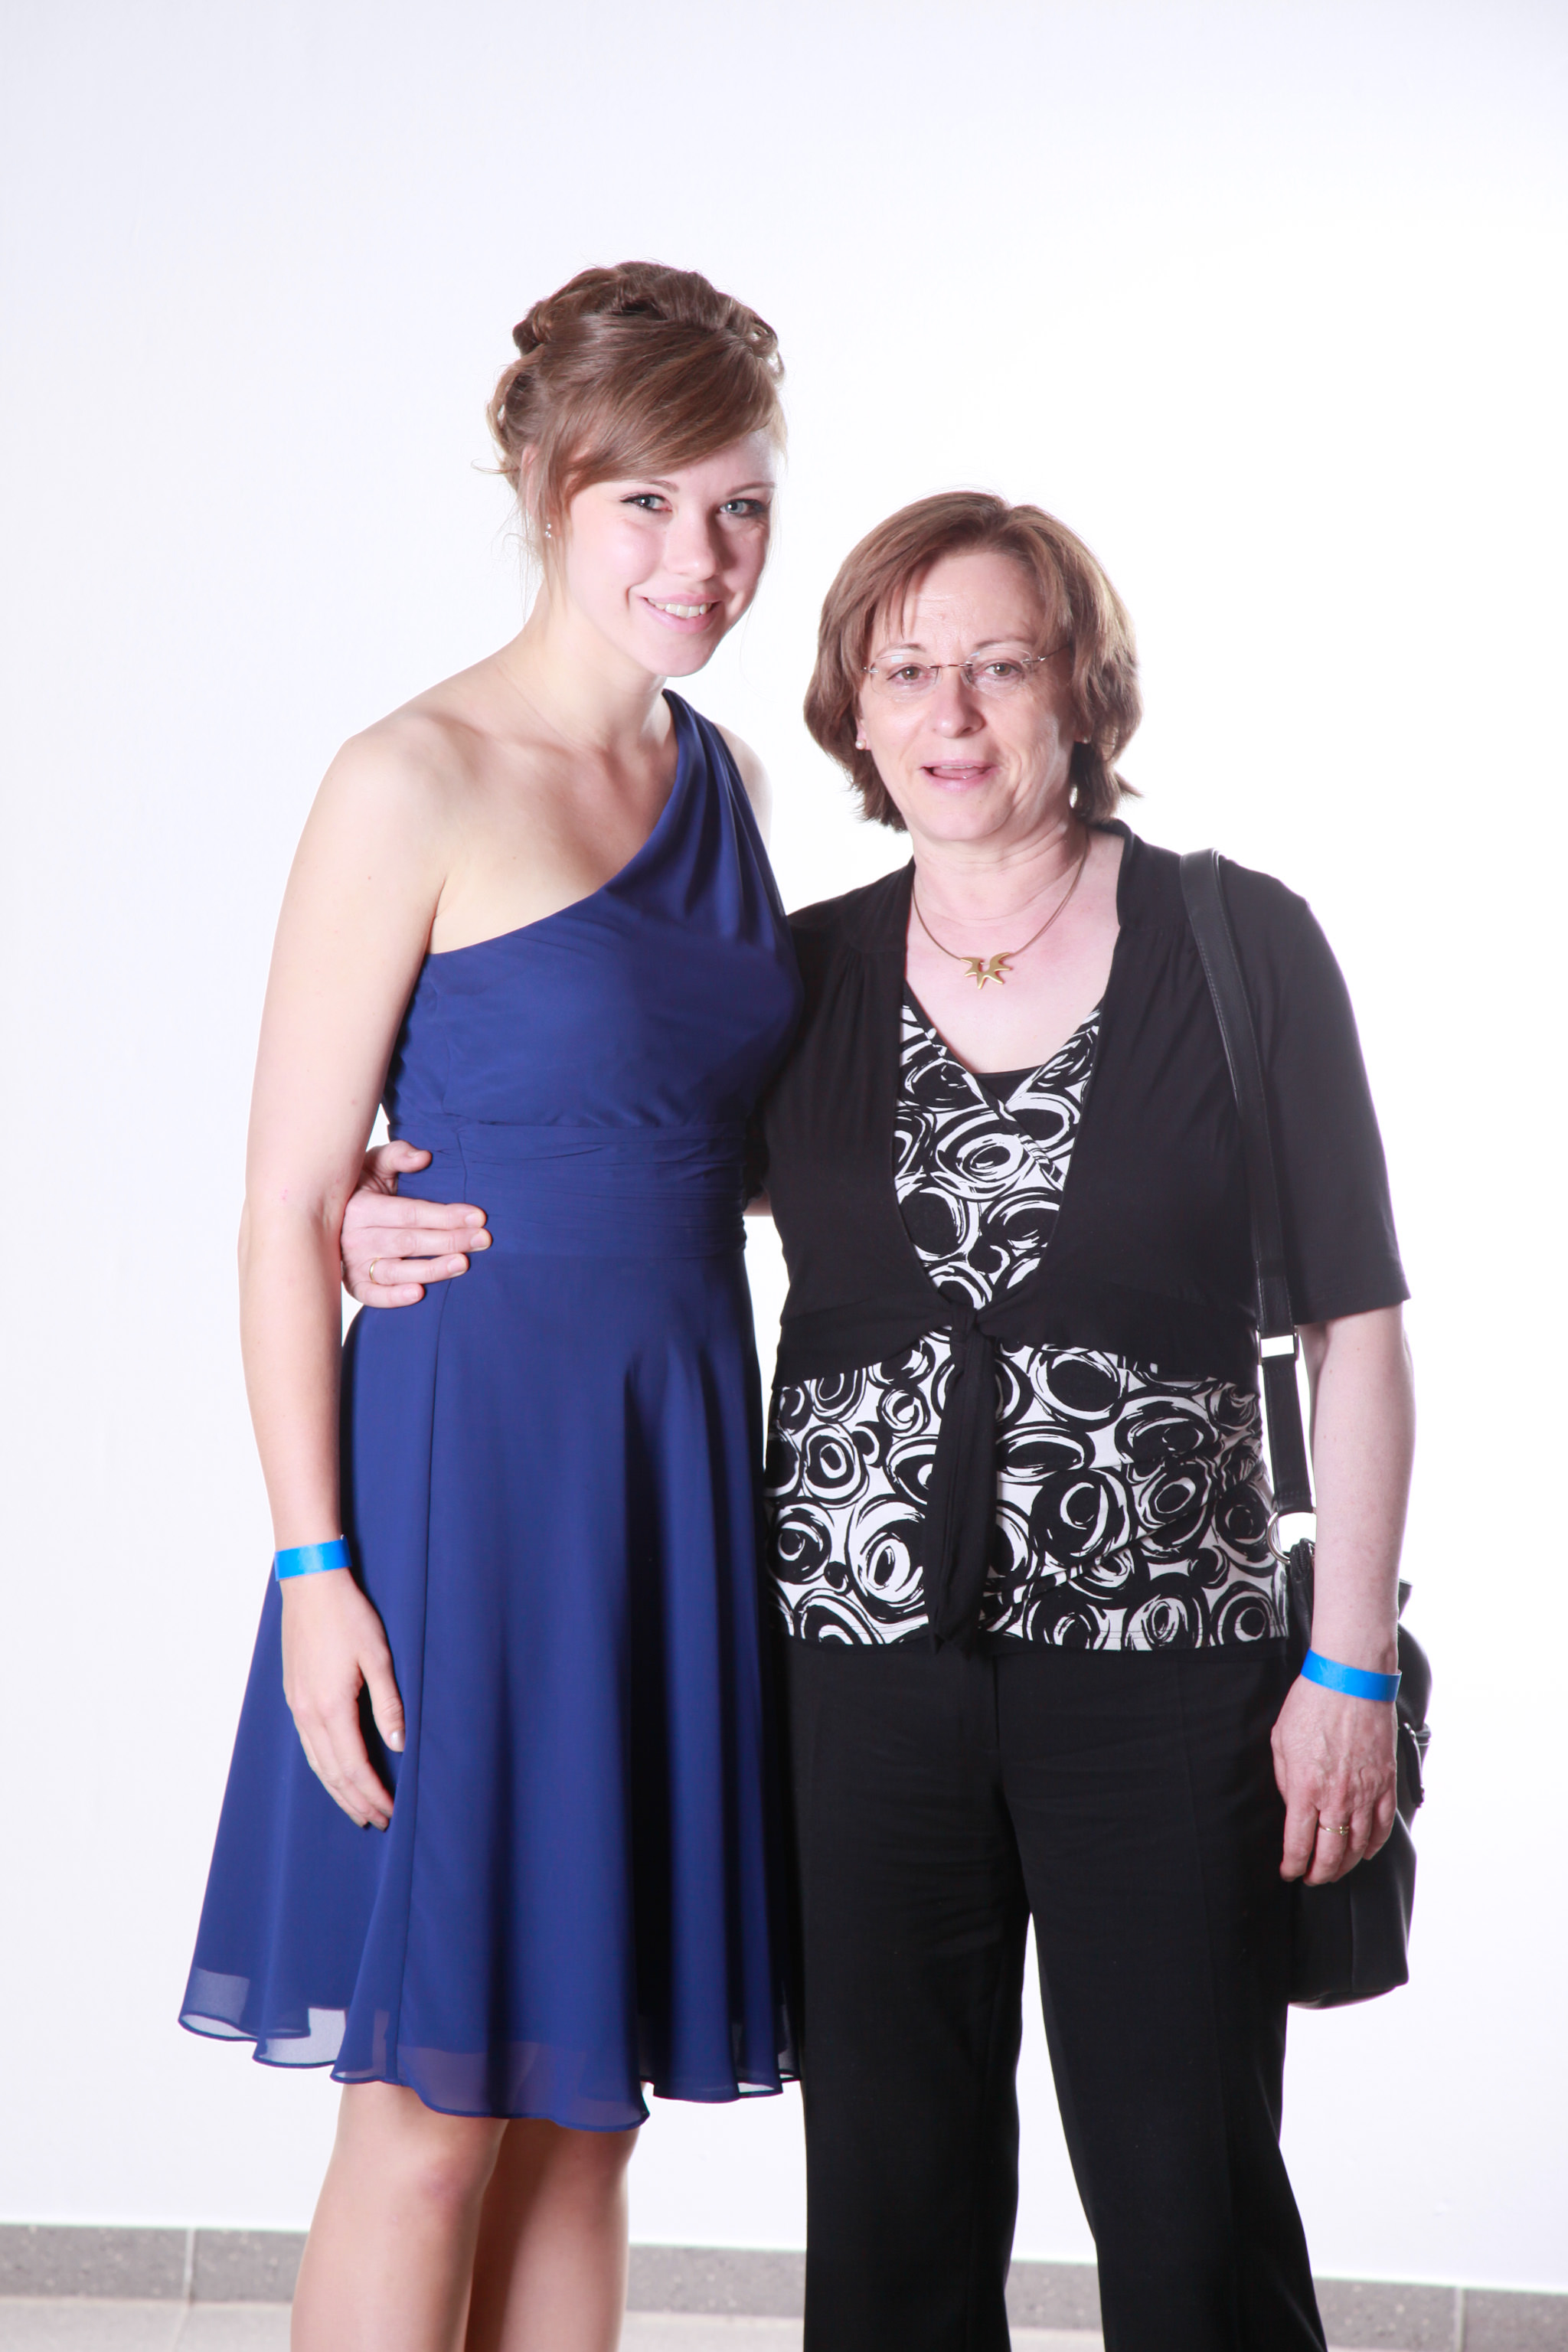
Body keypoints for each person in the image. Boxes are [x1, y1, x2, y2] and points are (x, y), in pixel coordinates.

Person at [342, 490, 1416, 2352]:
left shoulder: (1237, 946)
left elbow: (1360, 1329)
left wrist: (1348, 1667)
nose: (951, 714)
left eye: (1000, 665)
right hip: (854, 1689)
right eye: (905, 671)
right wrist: (375, 1208)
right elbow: (632, 1171)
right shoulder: (806, 973)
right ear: (852, 707)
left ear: (1081, 688)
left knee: (1191, 2209)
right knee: (891, 2225)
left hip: (1167, 1680)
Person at [181, 263, 802, 2352]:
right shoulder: (411, 774)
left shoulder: (726, 780)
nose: (699, 558)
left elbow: (699, 1131)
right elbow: (283, 1208)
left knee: (587, 2112)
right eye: (649, 505)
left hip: (669, 1459)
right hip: (467, 1474)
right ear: (548, 494)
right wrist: (312, 1570)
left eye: (739, 508)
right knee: (433, 2109)